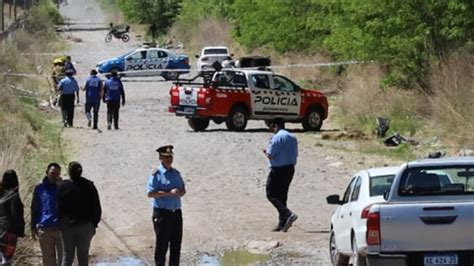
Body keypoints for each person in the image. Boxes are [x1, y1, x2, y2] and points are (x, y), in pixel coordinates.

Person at [147, 145, 186, 266]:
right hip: (162, 214)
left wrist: (180, 192)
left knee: (176, 245)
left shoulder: (176, 173)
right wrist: (169, 193)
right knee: (162, 246)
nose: (169, 159)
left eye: (170, 157)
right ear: (160, 158)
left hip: (176, 213)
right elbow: (150, 193)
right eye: (166, 157)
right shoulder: (156, 174)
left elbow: (183, 190)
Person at [57, 162, 101, 266]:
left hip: (67, 227)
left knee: (67, 255)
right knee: (83, 257)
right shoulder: (89, 186)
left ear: (69, 172)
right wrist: (93, 223)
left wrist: (61, 223)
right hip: (85, 226)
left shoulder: (62, 187)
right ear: (81, 172)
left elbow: (57, 207)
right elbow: (96, 207)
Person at [263, 118, 298, 232]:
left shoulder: (277, 137)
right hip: (290, 169)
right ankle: (282, 223)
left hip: (278, 169)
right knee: (282, 195)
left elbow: (270, 154)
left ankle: (287, 214)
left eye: (272, 126)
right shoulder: (292, 138)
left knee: (271, 193)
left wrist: (265, 151)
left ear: (276, 126)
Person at [31, 163, 63, 266]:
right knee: (48, 259)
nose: (54, 176)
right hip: (44, 228)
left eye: (57, 174)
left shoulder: (64, 188)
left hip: (61, 228)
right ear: (47, 173)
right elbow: (34, 207)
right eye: (52, 173)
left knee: (64, 259)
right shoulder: (39, 189)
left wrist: (61, 188)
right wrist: (32, 226)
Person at [0, 170, 25, 265]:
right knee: (6, 261)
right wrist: (20, 231)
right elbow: (16, 215)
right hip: (9, 233)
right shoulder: (14, 196)